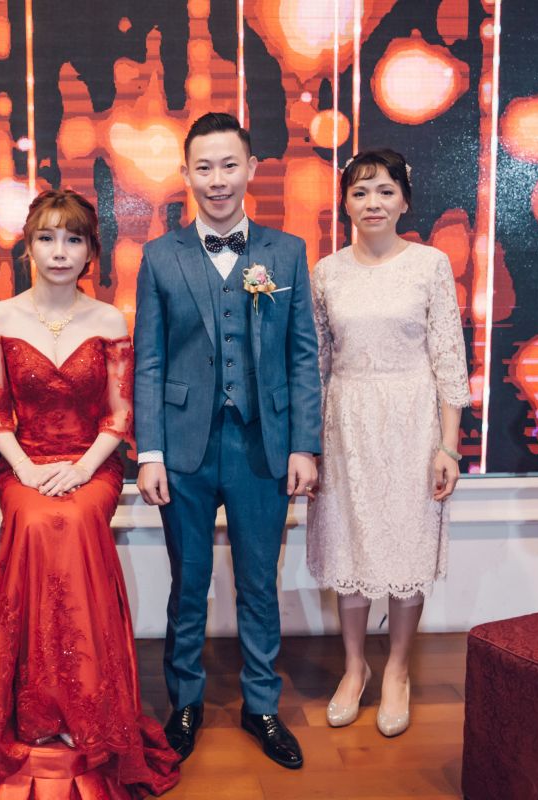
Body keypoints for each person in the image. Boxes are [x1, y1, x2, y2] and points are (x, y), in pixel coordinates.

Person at [0, 189, 180, 799]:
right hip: (22, 465)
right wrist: (25, 469)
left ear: (90, 252)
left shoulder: (109, 320)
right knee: (33, 521)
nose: (60, 251)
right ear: (28, 246)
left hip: (92, 466)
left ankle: (87, 707)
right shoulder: (0, 317)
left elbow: (118, 415)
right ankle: (35, 704)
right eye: (48, 238)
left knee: (75, 521)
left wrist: (82, 469)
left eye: (73, 239)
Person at [133, 112, 322, 770]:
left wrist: (304, 445)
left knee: (258, 583)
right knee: (187, 582)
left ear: (251, 170)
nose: (217, 179)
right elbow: (149, 361)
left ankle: (260, 704)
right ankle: (184, 702)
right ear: (186, 174)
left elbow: (302, 356)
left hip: (262, 446)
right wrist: (150, 453)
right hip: (183, 447)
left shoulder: (286, 253)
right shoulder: (160, 257)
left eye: (228, 165)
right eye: (204, 167)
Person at [307, 149, 469, 737]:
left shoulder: (430, 265)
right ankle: (355, 668)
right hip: (345, 423)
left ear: (404, 200)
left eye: (384, 191)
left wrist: (448, 447)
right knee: (350, 546)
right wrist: (311, 444)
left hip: (412, 423)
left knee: (406, 547)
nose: (372, 203)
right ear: (345, 203)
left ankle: (397, 669)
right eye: (359, 192)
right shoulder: (326, 273)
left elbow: (448, 357)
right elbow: (318, 365)